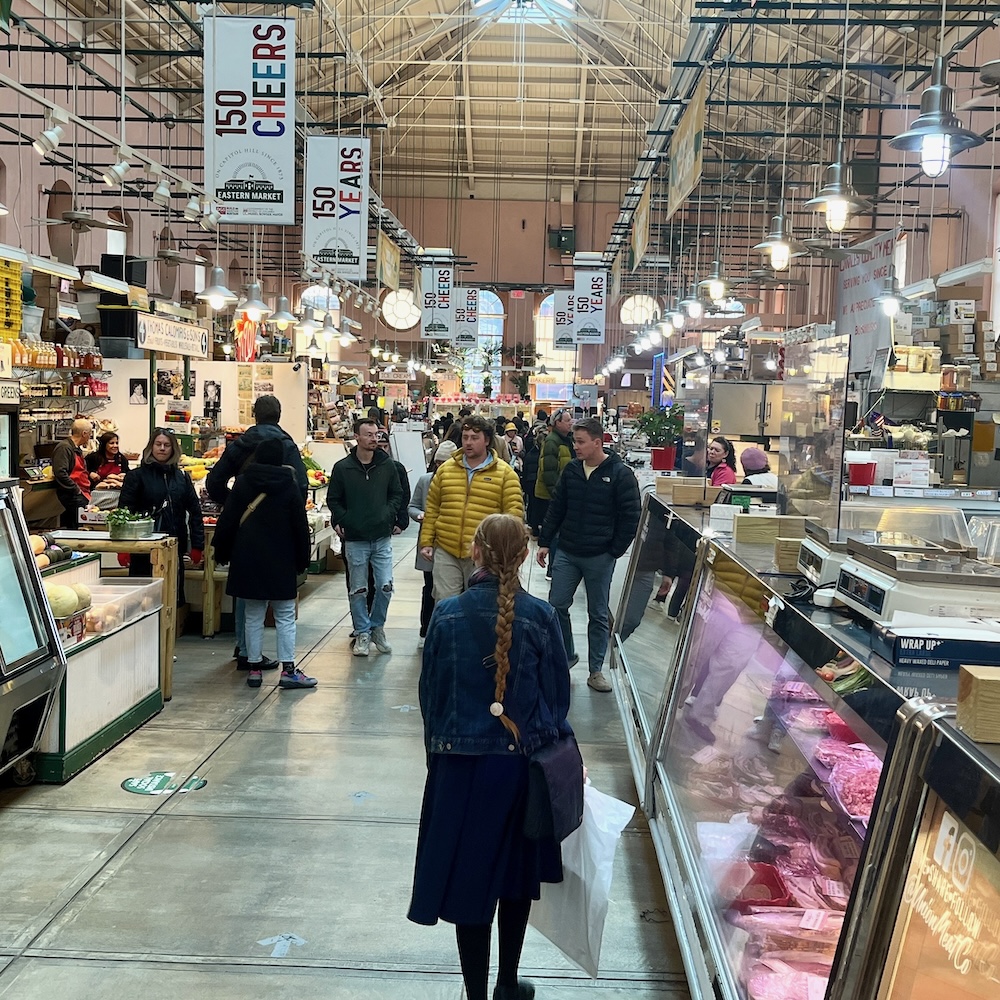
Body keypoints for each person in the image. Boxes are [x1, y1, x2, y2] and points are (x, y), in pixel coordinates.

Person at [409, 514, 572, 1000]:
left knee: (469, 883)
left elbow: (430, 698)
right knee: (515, 880)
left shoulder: (447, 614)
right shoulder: (542, 616)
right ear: (525, 557)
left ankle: (476, 993)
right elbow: (557, 700)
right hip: (521, 771)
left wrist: (439, 758)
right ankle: (507, 983)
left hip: (459, 771)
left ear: (474, 553)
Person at [206, 395, 308, 671]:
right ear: (279, 414)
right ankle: (286, 665)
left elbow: (214, 481)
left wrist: (235, 503)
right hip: (279, 535)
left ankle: (246, 650)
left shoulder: (240, 444)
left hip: (246, 530)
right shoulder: (286, 445)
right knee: (283, 608)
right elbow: (301, 488)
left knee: (248, 596)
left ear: (254, 414)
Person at [538, 418, 641, 693]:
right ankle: (566, 655)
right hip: (568, 551)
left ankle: (596, 670)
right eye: (574, 441)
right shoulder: (572, 470)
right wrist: (545, 541)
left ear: (598, 442)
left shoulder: (621, 474)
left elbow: (631, 517)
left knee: (597, 613)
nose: (576, 447)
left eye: (581, 442)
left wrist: (613, 550)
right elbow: (557, 507)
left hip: (599, 556)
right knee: (556, 604)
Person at [419, 415, 524, 600]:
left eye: (474, 438)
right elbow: (433, 507)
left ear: (487, 441)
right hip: (446, 547)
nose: (468, 442)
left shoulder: (505, 474)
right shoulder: (445, 470)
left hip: (485, 552)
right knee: (444, 603)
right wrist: (427, 541)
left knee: (480, 603)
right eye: (465, 437)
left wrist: (508, 551)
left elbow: (514, 515)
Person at [328, 417, 404, 656]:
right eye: (369, 434)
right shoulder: (343, 468)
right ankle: (362, 631)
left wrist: (388, 514)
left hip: (382, 538)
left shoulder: (388, 466)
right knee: (358, 588)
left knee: (384, 586)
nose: (374, 439)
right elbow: (334, 499)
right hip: (356, 540)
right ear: (357, 437)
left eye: (376, 434)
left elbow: (396, 494)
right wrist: (345, 519)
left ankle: (377, 627)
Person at [118, 428, 205, 602]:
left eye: (167, 445)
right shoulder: (136, 477)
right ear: (151, 447)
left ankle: (172, 630)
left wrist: (197, 545)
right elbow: (124, 512)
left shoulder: (182, 477)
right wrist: (124, 548)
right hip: (143, 550)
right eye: (158, 444)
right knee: (142, 600)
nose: (162, 448)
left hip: (173, 549)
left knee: (171, 597)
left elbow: (195, 512)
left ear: (173, 449)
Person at [409, 441, 458, 648]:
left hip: (452, 543)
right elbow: (412, 506)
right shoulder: (425, 480)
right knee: (430, 587)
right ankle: (425, 628)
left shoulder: (461, 482)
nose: (441, 466)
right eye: (438, 462)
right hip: (429, 543)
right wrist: (420, 515)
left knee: (450, 590)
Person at [534, 408, 574, 578]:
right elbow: (549, 471)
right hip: (551, 495)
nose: (571, 423)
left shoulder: (566, 440)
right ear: (557, 423)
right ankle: (553, 568)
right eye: (567, 420)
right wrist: (557, 495)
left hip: (560, 493)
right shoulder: (552, 441)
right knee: (556, 533)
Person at [51, 418, 93, 529]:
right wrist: (76, 489)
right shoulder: (64, 448)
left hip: (81, 492)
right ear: (84, 433)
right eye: (90, 433)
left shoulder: (75, 448)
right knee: (79, 526)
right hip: (72, 494)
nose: (90, 437)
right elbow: (60, 472)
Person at [520, 423, 548, 536]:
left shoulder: (531, 453)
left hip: (531, 482)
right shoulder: (546, 453)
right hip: (540, 482)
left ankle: (534, 527)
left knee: (533, 505)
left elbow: (526, 469)